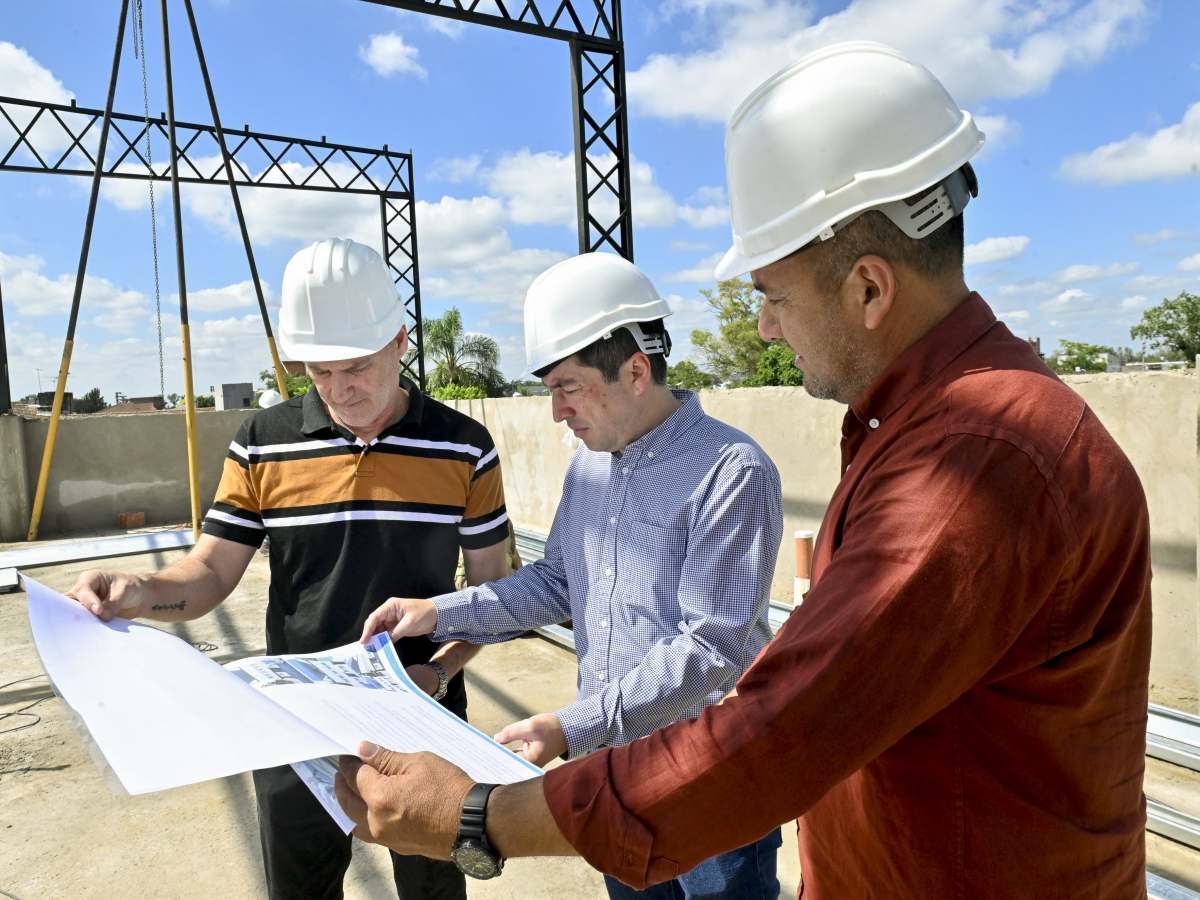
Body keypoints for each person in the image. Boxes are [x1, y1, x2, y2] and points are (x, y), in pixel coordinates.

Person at [333, 42, 1152, 899]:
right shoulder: (923, 432)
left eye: (773, 292)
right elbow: (571, 590)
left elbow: (778, 728)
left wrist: (483, 817)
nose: (763, 327)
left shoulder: (978, 460)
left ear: (869, 289)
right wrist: (447, 612)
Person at [68, 237, 512, 900]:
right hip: (294, 728)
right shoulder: (261, 443)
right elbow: (211, 574)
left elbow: (496, 598)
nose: (338, 389)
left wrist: (439, 671)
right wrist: (141, 591)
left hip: (424, 721)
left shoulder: (463, 447)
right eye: (318, 371)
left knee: (432, 891)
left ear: (399, 341)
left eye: (356, 367)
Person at [360, 251, 786, 898]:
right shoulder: (590, 466)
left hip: (708, 780)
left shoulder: (730, 471)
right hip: (614, 776)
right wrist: (438, 612)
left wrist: (568, 726)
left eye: (568, 387)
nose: (556, 411)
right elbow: (556, 583)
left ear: (637, 370)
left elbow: (710, 647)